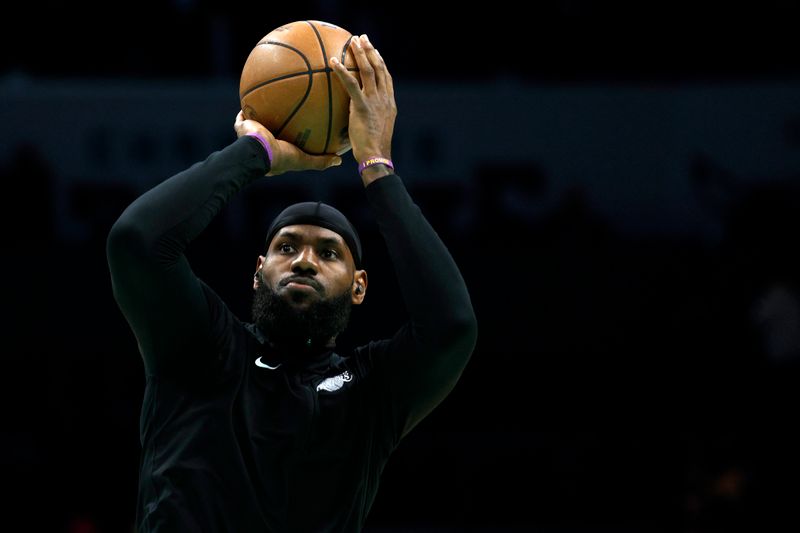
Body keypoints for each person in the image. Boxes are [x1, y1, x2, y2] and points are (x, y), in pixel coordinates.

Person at [106, 34, 477, 532]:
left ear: (360, 286)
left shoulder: (369, 393)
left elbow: (452, 326)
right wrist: (255, 151)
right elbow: (137, 241)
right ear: (258, 271)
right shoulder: (203, 349)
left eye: (328, 253)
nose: (304, 261)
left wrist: (377, 167)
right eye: (286, 248)